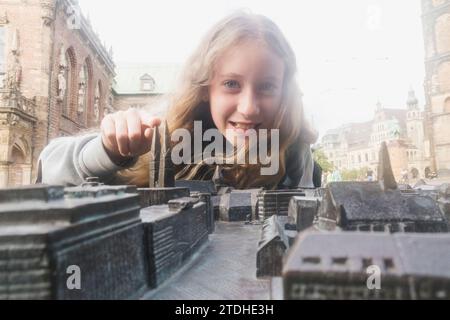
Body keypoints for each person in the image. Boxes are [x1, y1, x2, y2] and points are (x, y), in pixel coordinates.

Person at [37, 11, 318, 189]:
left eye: (267, 87)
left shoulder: (294, 148)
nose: (248, 107)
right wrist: (108, 150)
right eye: (231, 84)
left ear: (284, 90)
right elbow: (48, 168)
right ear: (206, 87)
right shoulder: (166, 130)